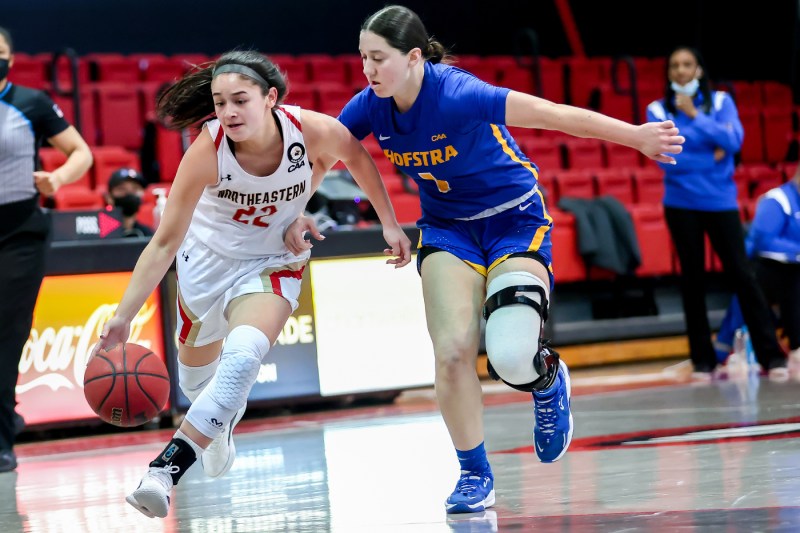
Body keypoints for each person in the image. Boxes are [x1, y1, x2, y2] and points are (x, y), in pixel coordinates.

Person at [283, 5, 684, 514]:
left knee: (510, 356)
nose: (367, 69)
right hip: (448, 231)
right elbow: (322, 155)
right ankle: (475, 475)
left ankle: (546, 379)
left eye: (378, 58)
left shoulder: (458, 93)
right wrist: (297, 211)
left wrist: (636, 136)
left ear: (412, 58)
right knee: (450, 355)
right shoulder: (370, 105)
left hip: (514, 220)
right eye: (362, 57)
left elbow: (551, 114)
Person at [91, 49, 412, 518]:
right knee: (198, 383)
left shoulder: (311, 129)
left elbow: (356, 157)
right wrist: (123, 317)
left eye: (240, 100)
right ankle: (215, 426)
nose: (228, 112)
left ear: (271, 98)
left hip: (272, 261)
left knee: (242, 358)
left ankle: (163, 471)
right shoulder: (208, 149)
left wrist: (389, 223)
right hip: (205, 266)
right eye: (220, 102)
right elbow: (162, 244)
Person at [646, 45, 787, 380]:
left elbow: (736, 140)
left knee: (743, 275)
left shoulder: (722, 101)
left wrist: (695, 118)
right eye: (675, 65)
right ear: (669, 73)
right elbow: (669, 158)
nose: (681, 70)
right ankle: (703, 360)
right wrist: (714, 154)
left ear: (699, 70)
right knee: (691, 280)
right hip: (680, 204)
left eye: (687, 64)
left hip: (721, 202)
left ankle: (772, 355)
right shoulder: (656, 109)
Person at [0, 26, 93, 473]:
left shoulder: (32, 102)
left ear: (10, 59)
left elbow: (81, 153)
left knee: (7, 335)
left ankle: (2, 439)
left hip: (19, 233)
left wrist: (56, 179)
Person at [714, 165, 800, 378]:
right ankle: (793, 348)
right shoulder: (777, 200)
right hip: (764, 269)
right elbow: (764, 241)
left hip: (791, 268)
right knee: (792, 281)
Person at [104, 168, 154, 238]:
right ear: (109, 197)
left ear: (143, 195)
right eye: (122, 189)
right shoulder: (100, 235)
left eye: (135, 188)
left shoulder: (148, 235)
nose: (129, 193)